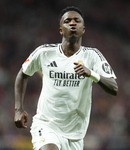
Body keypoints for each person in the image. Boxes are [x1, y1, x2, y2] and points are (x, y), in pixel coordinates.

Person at [14, 6, 118, 150]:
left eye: (77, 21)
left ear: (83, 29)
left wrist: (91, 74)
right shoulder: (44, 52)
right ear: (61, 30)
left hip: (75, 134)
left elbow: (114, 88)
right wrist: (18, 109)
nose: (73, 23)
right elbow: (22, 74)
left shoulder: (92, 56)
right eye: (67, 21)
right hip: (46, 124)